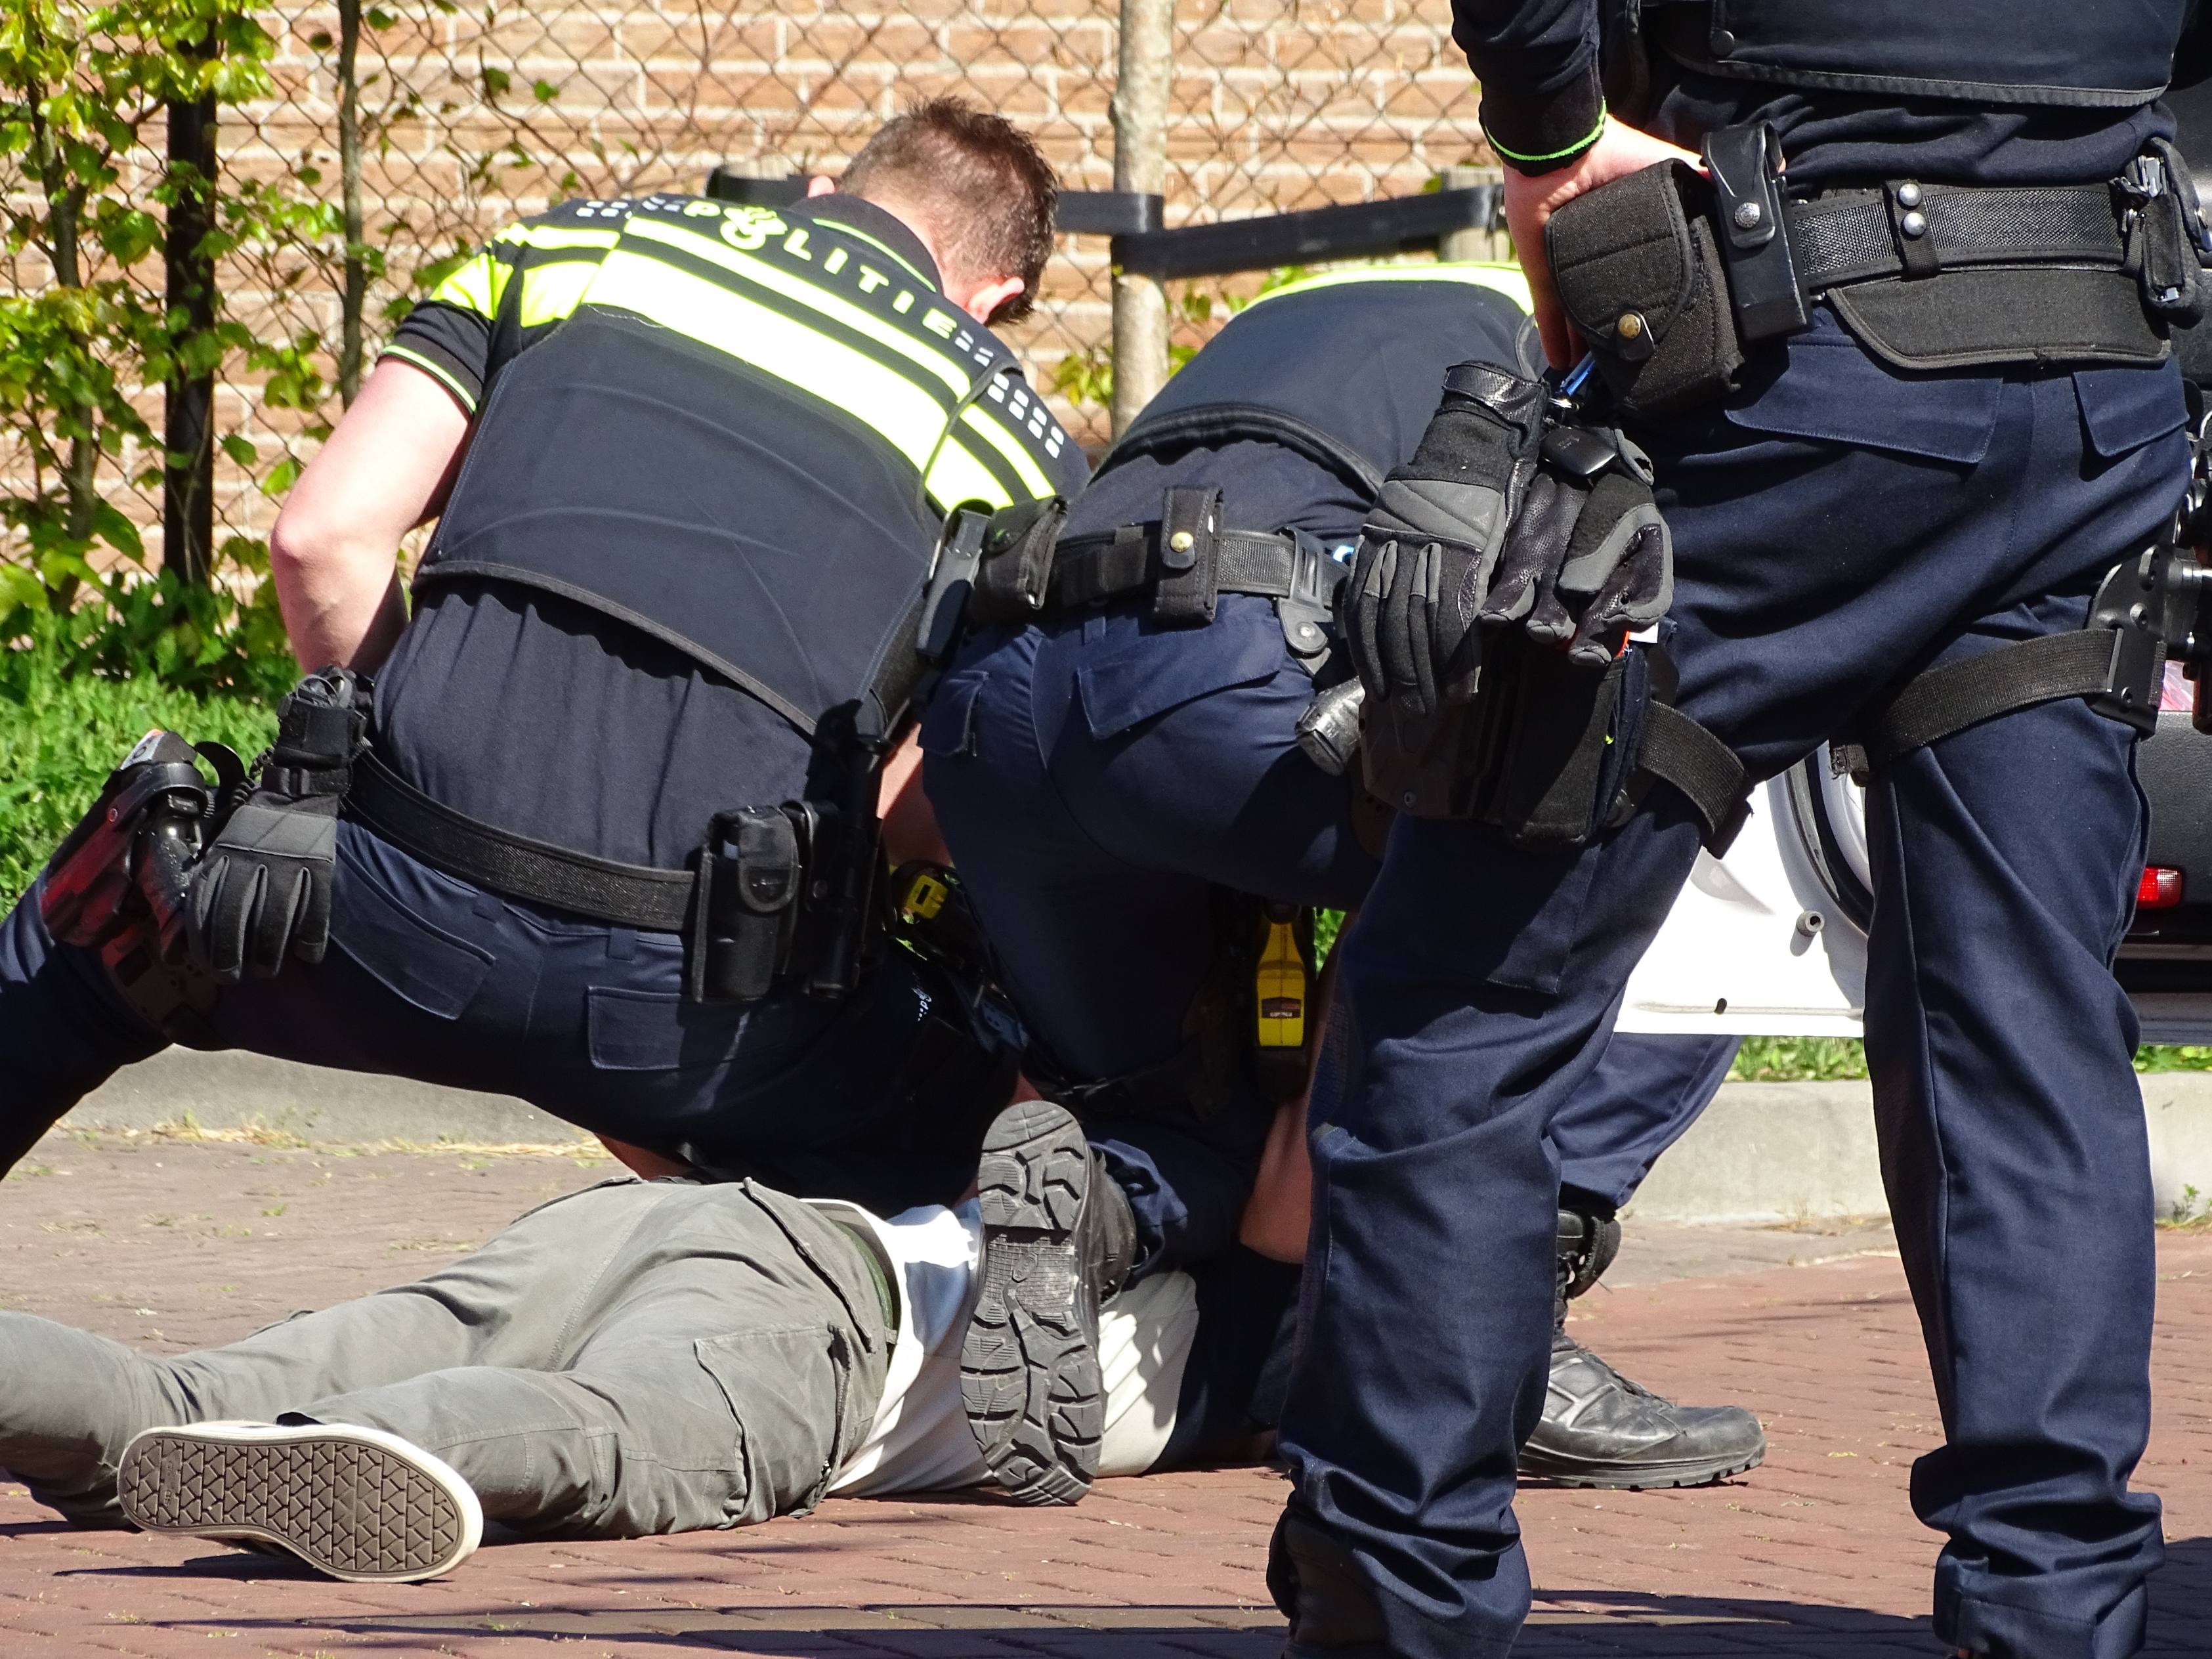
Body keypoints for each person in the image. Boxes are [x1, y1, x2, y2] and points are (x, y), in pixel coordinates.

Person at [1268, 7, 2202, 1659]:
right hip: (2086, 372)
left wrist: (1549, 136)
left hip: (1781, 374)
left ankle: (1399, 1598)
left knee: (1459, 1000)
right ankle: (2054, 1610)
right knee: (2020, 1030)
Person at [2, 98, 1087, 1219]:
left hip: (368, 924)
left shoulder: (570, 252)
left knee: (102, 920)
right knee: (980, 1129)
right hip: (697, 1014)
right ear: (991, 299)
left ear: (821, 195)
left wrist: (389, 788)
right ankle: (848, 1277)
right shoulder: (1012, 442)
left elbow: (321, 540)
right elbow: (947, 792)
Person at [924, 265, 1761, 1504]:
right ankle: (1502, 1324)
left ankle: (1109, 1203)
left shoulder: (1286, 323)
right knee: (1655, 859)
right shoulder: (1584, 347)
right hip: (1234, 673)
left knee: (1180, 1099)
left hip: (999, 713)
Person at [0, 1102, 1300, 1584]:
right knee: (608, 1438)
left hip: (677, 1221)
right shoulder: (1271, 1337)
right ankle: (347, 1448)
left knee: (174, 1390)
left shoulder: (1158, 1215)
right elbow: (1299, 1205)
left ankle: (229, 1430)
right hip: (824, 1335)